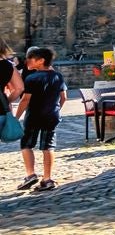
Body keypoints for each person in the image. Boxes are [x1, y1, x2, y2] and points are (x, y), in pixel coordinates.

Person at [14, 46, 66, 191]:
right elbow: (64, 97)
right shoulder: (58, 76)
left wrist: (16, 117)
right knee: (48, 146)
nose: (27, 60)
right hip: (52, 116)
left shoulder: (32, 78)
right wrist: (55, 109)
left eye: (31, 58)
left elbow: (25, 100)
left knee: (26, 144)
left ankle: (30, 174)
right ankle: (47, 179)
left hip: (34, 115)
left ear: (41, 60)